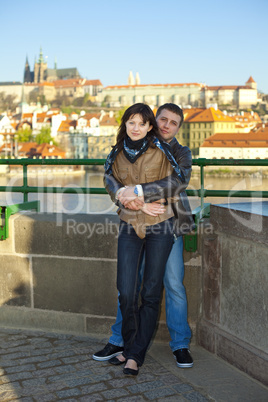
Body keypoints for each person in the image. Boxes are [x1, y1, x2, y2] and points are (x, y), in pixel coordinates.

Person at [94, 103, 195, 370]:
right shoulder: (129, 147)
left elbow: (178, 181)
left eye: (173, 123)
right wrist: (134, 201)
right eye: (163, 119)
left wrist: (139, 194)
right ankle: (120, 341)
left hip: (168, 223)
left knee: (172, 283)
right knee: (129, 286)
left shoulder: (180, 152)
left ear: (177, 128)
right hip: (137, 220)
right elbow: (114, 180)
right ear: (154, 120)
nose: (166, 125)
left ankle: (180, 344)